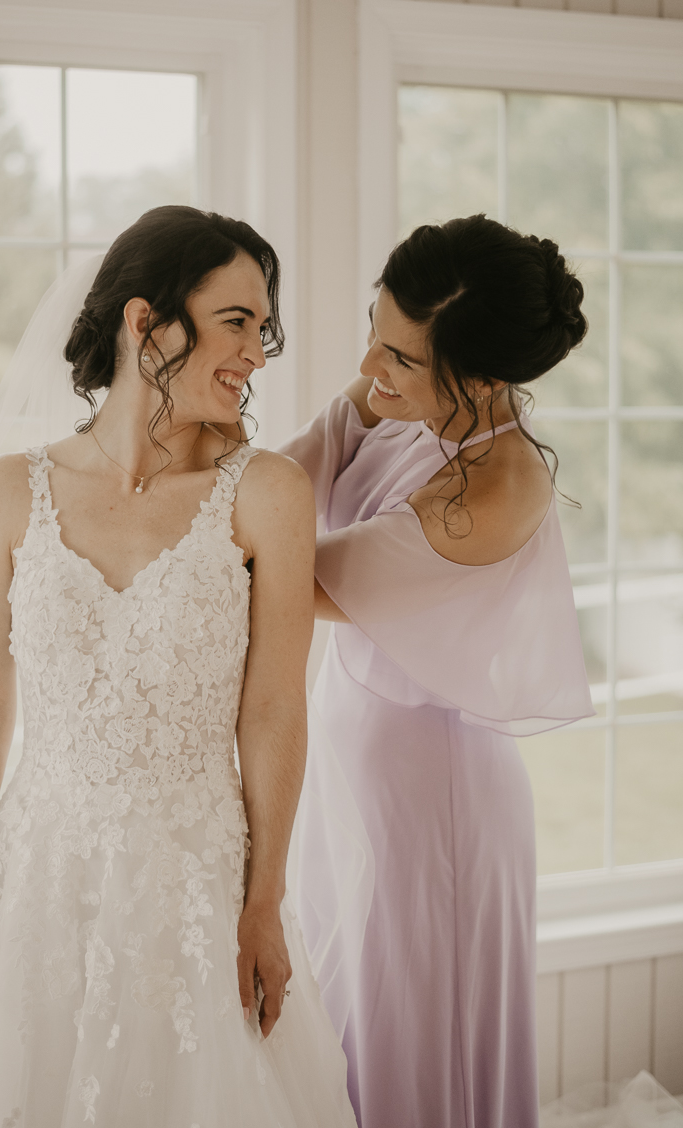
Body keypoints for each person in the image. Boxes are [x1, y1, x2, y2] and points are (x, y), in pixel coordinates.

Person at [0, 206, 358, 1128]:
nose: (257, 354)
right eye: (236, 322)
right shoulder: (9, 492)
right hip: (33, 884)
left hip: (199, 887)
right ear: (148, 321)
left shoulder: (267, 494)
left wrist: (264, 899)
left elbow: (272, 712)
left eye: (264, 331)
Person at [279, 214, 596, 1128]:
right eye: (371, 336)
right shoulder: (408, 397)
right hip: (357, 776)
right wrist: (368, 391)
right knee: (351, 1033)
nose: (372, 372)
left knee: (420, 1048)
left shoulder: (489, 488)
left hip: (434, 804)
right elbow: (292, 478)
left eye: (400, 359)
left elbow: (283, 561)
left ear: (486, 376)